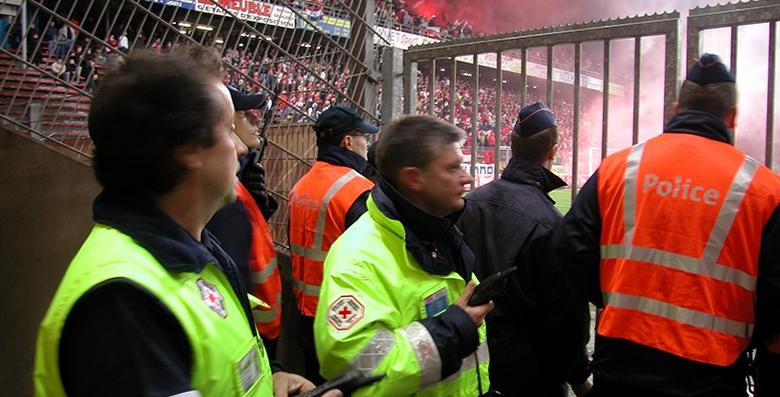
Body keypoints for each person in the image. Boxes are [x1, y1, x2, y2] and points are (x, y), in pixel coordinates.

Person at [33, 51, 338, 397]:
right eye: (227, 129)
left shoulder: (193, 249)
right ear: (189, 149)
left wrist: (270, 382)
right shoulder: (124, 302)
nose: (240, 147)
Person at [550, 53, 780, 396]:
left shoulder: (618, 167)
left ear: (675, 110)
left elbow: (568, 247)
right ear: (732, 117)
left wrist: (616, 294)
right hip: (710, 375)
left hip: (619, 365)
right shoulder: (764, 189)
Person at [314, 115, 493, 396]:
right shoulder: (359, 259)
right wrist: (451, 332)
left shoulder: (439, 233)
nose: (467, 177)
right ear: (413, 178)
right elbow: (355, 370)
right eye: (453, 168)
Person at [457, 102, 591, 397]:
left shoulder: (469, 204)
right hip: (532, 371)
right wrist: (579, 376)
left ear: (512, 147)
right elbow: (567, 315)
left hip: (473, 358)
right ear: (553, 151)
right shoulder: (550, 223)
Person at [288, 104, 378, 383]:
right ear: (348, 141)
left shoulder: (302, 184)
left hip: (305, 309)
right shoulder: (358, 190)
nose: (367, 143)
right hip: (343, 315)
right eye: (364, 137)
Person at [207, 85, 283, 358]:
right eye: (244, 115)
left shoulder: (238, 184)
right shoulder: (222, 198)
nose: (257, 120)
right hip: (248, 335)